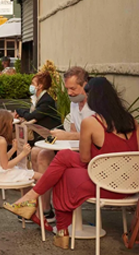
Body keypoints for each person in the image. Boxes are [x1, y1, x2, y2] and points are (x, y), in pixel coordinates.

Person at [3, 77, 139, 249]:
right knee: (64, 157)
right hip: (131, 185)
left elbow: (85, 159)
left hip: (105, 186)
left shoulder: (92, 122)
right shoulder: (132, 121)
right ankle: (33, 201)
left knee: (64, 173)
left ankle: (57, 225)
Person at [29, 66, 95, 222]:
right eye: (67, 89)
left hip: (90, 153)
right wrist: (58, 137)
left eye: (73, 88)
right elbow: (73, 132)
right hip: (75, 148)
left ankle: (40, 206)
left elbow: (95, 136)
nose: (70, 93)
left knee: (44, 154)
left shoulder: (94, 105)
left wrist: (67, 135)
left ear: (85, 84)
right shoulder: (74, 103)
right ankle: (44, 208)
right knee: (36, 152)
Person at [0, 110, 42, 183]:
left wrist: (13, 149)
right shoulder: (1, 141)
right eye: (11, 124)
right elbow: (5, 166)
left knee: (27, 174)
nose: (11, 126)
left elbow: (1, 160)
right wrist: (23, 153)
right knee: (40, 176)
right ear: (5, 126)